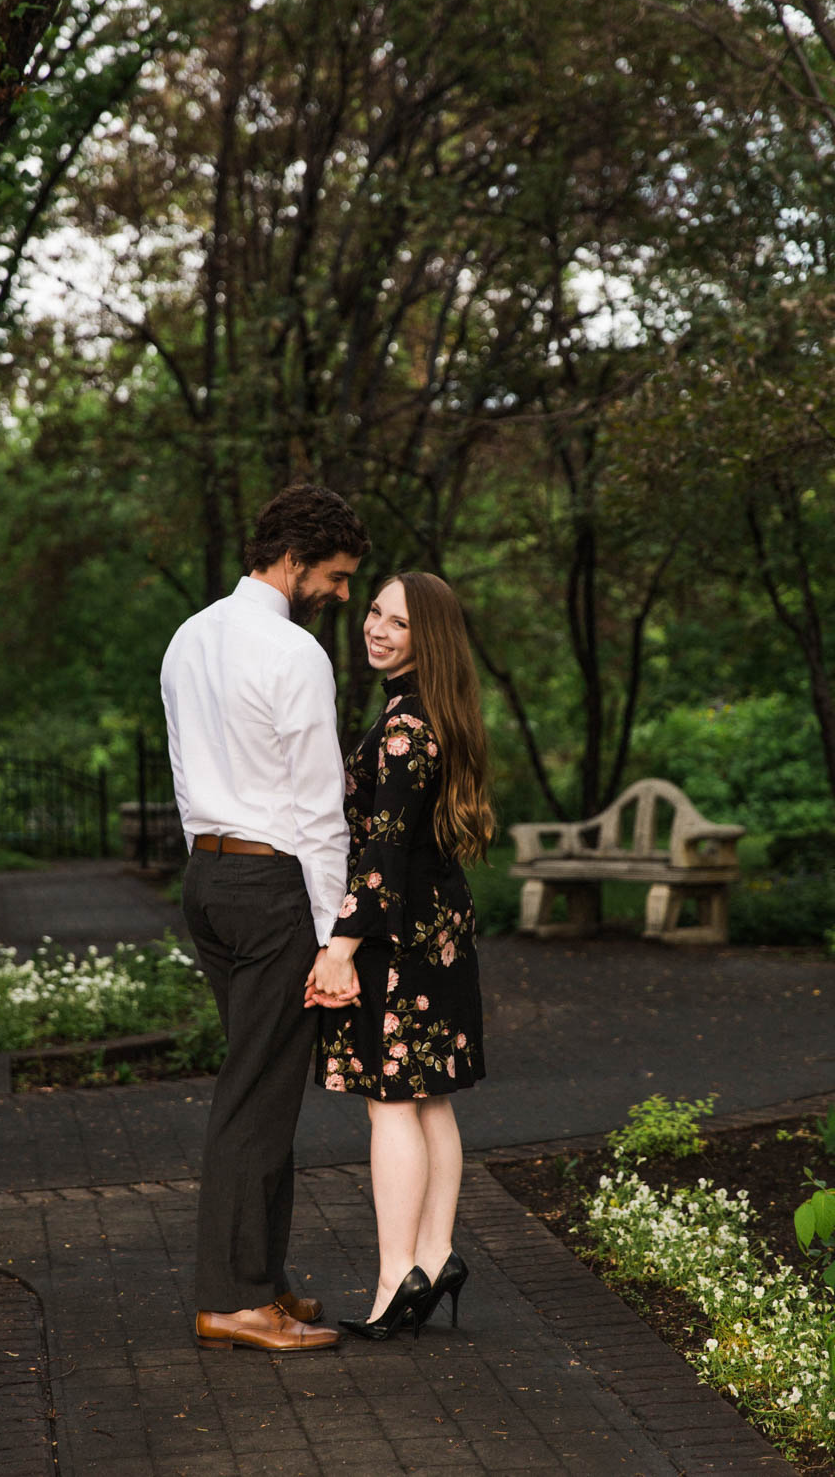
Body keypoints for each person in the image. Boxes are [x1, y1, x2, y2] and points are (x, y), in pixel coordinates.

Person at [161, 483, 370, 1353]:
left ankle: (265, 1283)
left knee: (265, 1087)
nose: (345, 594)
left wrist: (210, 867)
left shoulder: (189, 636)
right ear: (293, 560)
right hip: (275, 890)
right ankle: (234, 1300)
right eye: (337, 575)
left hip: (209, 880)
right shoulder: (293, 652)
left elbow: (182, 770)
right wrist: (335, 939)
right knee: (255, 1097)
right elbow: (319, 811)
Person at [308, 571, 493, 1340]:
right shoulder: (434, 717)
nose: (376, 629)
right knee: (431, 1099)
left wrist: (338, 950)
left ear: (430, 640)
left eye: (398, 624)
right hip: (442, 933)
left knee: (391, 1106)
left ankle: (395, 1278)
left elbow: (380, 854)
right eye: (374, 614)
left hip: (397, 940)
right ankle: (436, 1255)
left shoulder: (401, 728)